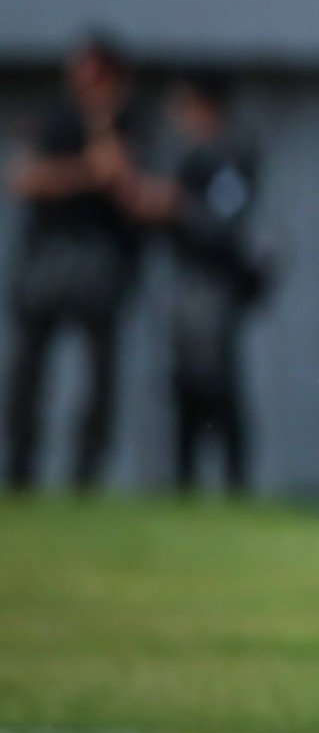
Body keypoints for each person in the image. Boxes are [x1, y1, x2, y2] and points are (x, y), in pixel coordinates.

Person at [5, 36, 150, 492]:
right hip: (49, 254)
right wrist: (88, 171)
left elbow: (131, 189)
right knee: (27, 369)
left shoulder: (128, 123)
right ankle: (20, 470)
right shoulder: (54, 119)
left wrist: (105, 130)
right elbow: (26, 179)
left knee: (100, 376)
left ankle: (85, 476)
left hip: (101, 257)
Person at [160, 72, 267, 492]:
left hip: (215, 282)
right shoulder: (188, 155)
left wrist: (177, 208)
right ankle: (184, 479)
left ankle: (234, 480)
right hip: (187, 279)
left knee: (217, 383)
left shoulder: (231, 154)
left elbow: (226, 225)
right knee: (185, 383)